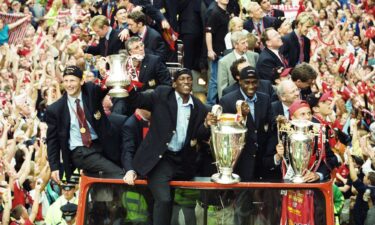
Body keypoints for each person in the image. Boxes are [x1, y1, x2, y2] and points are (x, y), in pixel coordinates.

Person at [124, 68, 213, 225]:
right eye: (182, 79)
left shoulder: (198, 106)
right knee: (164, 200)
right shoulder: (161, 95)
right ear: (174, 84)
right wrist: (128, 86)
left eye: (189, 78)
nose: (186, 81)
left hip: (183, 161)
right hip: (160, 159)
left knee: (174, 202)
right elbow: (137, 100)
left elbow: (199, 135)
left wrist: (206, 124)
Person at [46, 66, 124, 183]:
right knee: (119, 175)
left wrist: (105, 73)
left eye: (72, 80)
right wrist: (54, 167)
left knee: (120, 174)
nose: (69, 85)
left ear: (81, 81)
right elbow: (52, 141)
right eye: (66, 81)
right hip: (80, 152)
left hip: (102, 144)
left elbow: (106, 87)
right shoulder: (55, 109)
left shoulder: (90, 91)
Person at [217, 31, 259, 99]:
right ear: (235, 45)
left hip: (253, 95)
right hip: (234, 98)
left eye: (246, 42)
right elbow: (222, 86)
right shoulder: (224, 62)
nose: (246, 45)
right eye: (243, 43)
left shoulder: (254, 56)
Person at [205, 0, 230, 106]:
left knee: (222, 78)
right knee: (215, 79)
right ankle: (210, 104)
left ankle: (219, 103)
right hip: (217, 51)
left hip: (225, 50)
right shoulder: (214, 12)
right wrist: (210, 50)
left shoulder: (225, 12)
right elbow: (208, 32)